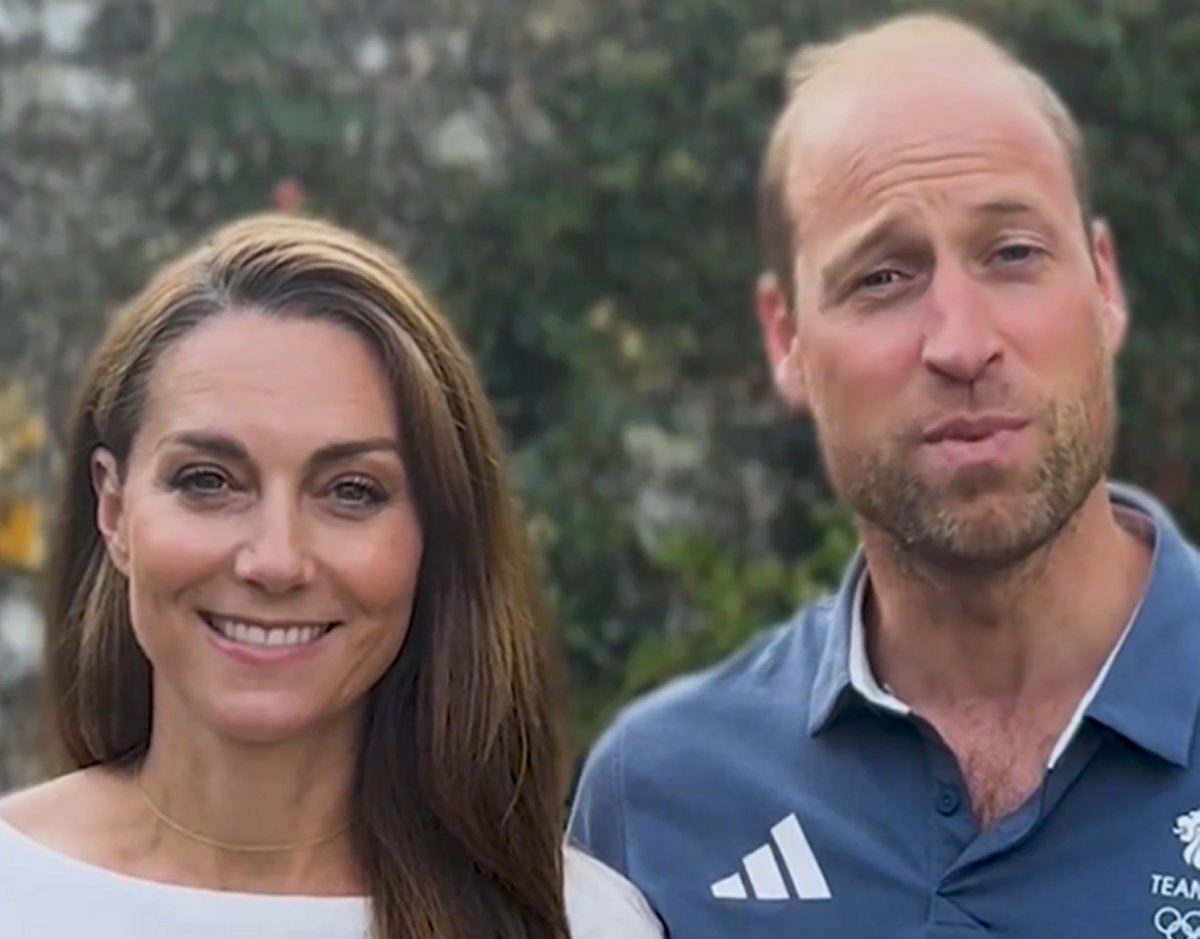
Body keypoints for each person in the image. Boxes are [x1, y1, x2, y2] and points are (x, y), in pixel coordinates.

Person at [569, 11, 1200, 938]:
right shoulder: (660, 801)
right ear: (786, 337)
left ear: (1104, 282)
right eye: (882, 277)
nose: (962, 342)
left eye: (1014, 253)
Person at [0, 214, 662, 939]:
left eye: (351, 490)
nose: (276, 560)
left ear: (433, 536)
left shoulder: (580, 924)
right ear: (115, 507)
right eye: (208, 480)